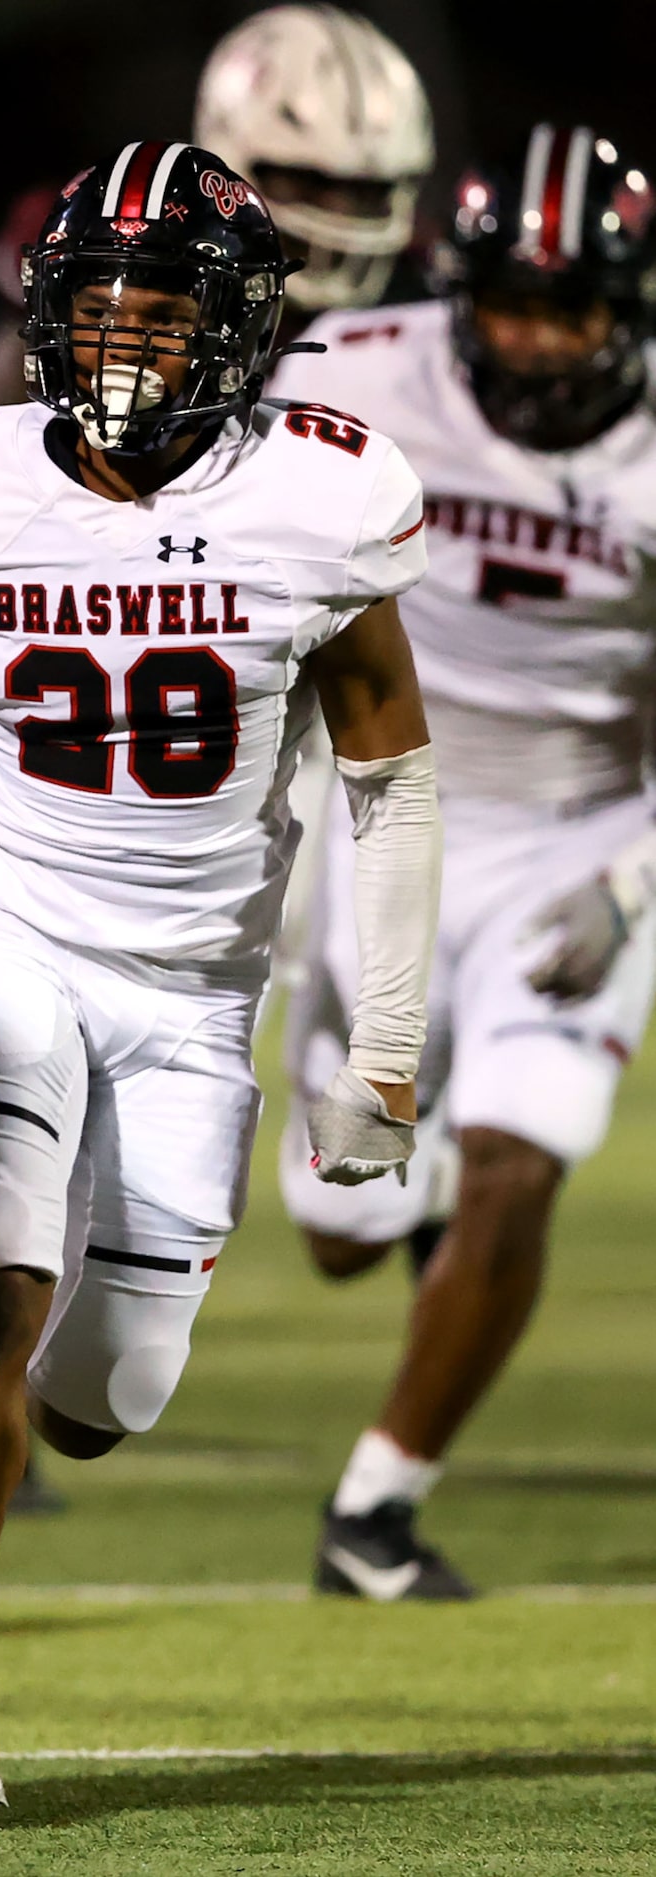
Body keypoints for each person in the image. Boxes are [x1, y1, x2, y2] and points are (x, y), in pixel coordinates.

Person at [0, 145, 438, 1807]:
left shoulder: (323, 490)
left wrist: (394, 1048)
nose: (128, 341)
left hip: (202, 985)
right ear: (44, 313)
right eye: (100, 304)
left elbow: (390, 777)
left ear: (239, 326)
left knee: (98, 1399)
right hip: (11, 928)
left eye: (167, 308)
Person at [0, 2, 438, 1413]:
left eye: (362, 196)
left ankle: (42, 1307)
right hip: (55, 705)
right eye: (307, 185)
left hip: (264, 724)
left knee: (220, 1130)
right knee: (11, 1048)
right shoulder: (120, 253)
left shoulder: (409, 344)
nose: (338, 227)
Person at [270, 126, 656, 1600]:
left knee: (519, 1160)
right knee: (343, 1231)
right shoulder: (349, 372)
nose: (541, 341)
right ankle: (402, 1182)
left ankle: (375, 1509)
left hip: (579, 835)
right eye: (511, 303)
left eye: (573, 308)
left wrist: (633, 882)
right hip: (374, 817)